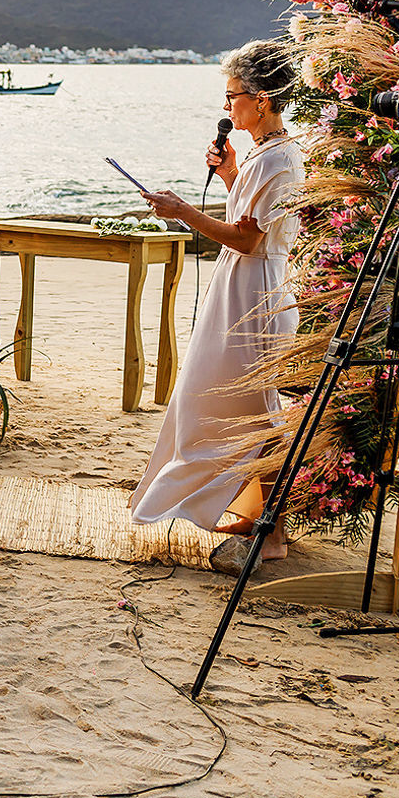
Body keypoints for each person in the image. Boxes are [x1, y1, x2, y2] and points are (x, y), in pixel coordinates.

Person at [129, 40, 305, 574]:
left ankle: (271, 531)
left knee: (259, 408)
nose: (227, 107)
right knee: (229, 400)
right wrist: (230, 176)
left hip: (254, 291)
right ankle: (257, 517)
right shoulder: (267, 154)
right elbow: (254, 223)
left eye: (233, 96)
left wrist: (182, 210)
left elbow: (248, 240)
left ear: (263, 99)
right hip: (247, 285)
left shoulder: (276, 156)